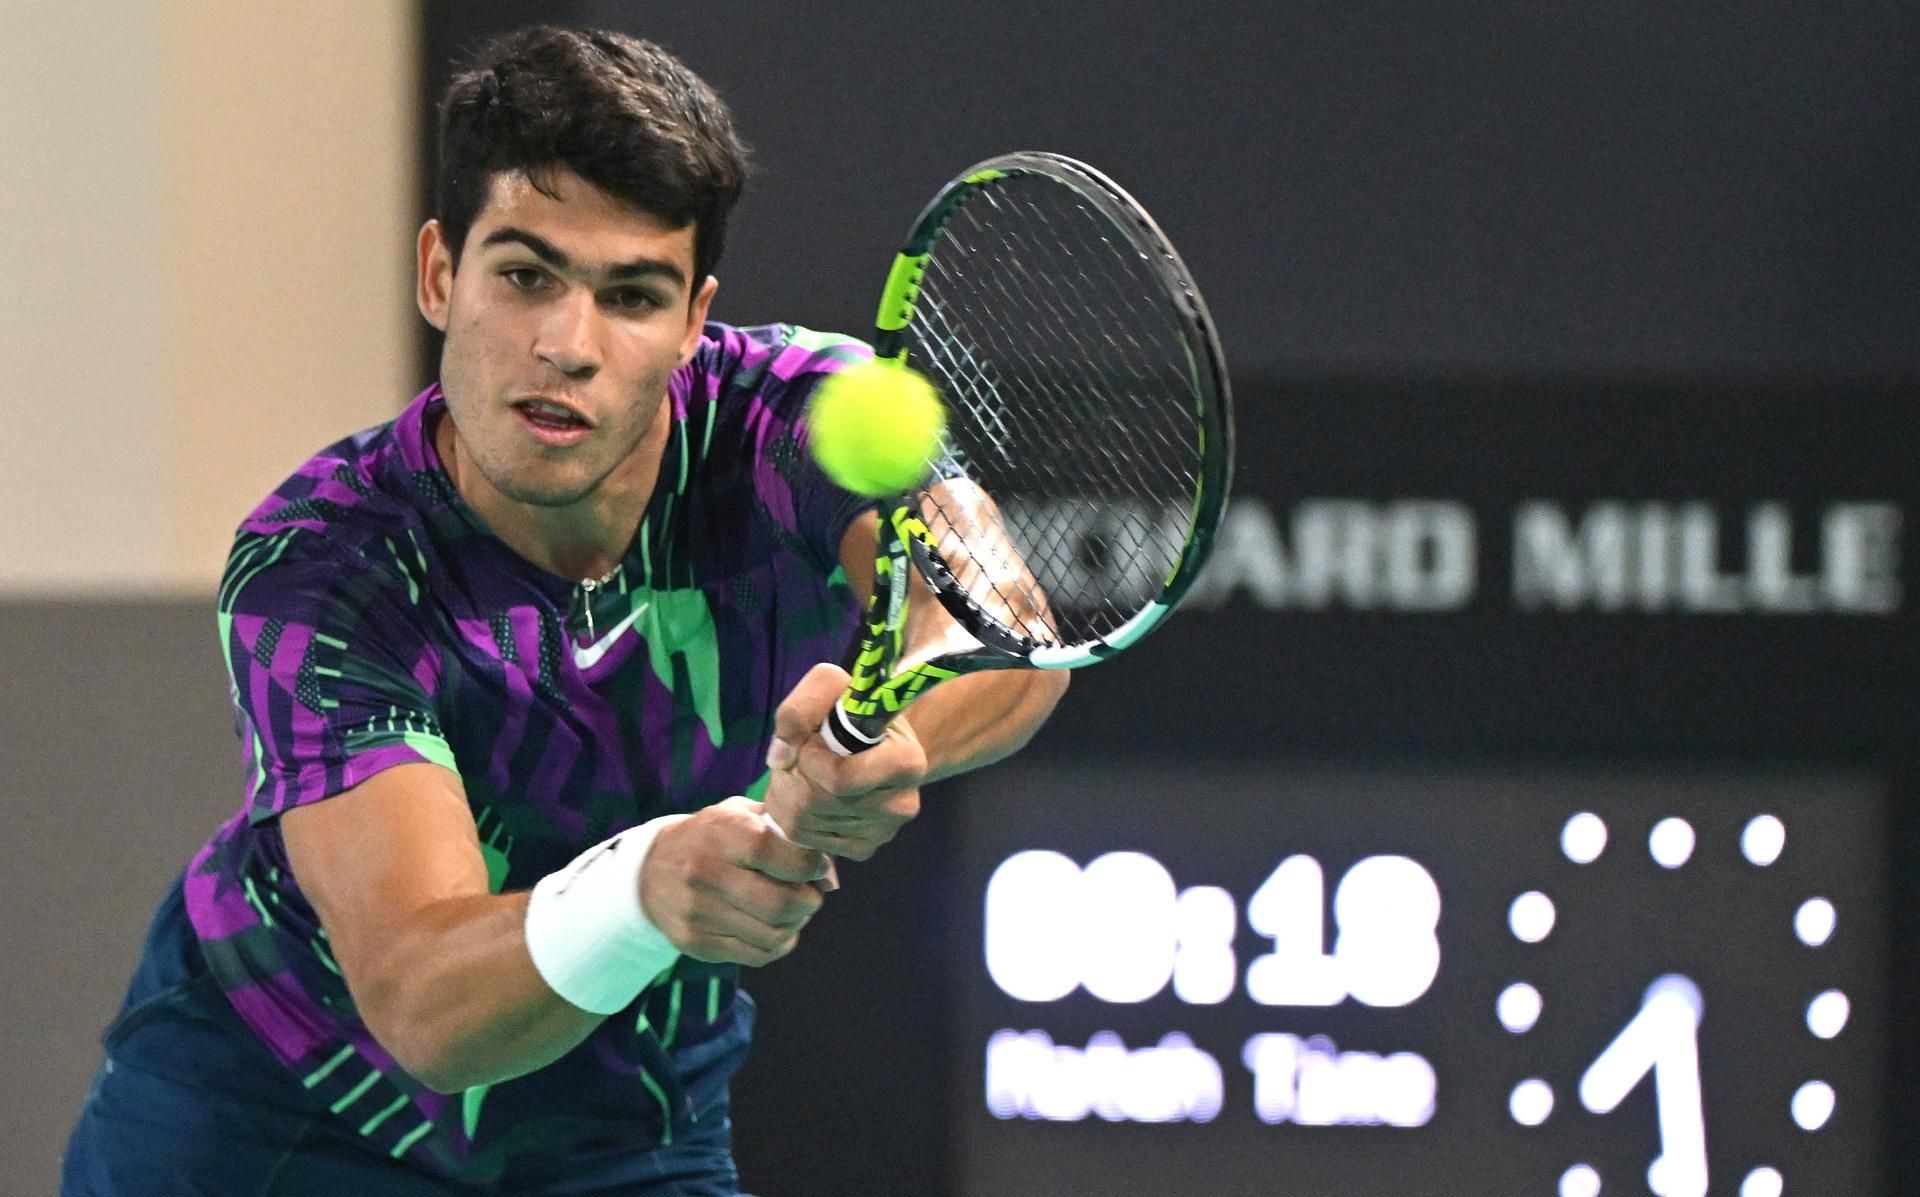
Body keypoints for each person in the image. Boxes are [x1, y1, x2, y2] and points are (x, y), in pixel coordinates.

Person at [61, 24, 1064, 1196]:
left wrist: (894, 734)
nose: (566, 346)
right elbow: (427, 1004)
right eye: (525, 275)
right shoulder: (324, 567)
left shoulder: (798, 420)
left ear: (696, 320)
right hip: (274, 1122)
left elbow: (1001, 629)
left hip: (627, 1126)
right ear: (440, 273)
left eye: (631, 295)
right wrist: (647, 889)